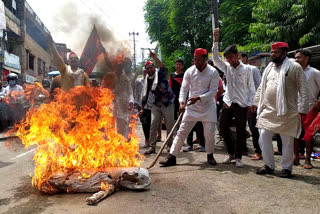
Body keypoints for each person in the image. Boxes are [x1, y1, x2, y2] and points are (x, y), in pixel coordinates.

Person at [252, 42, 309, 178]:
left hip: (288, 111)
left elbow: (304, 88)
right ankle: (269, 165)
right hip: (268, 110)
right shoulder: (269, 68)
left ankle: (286, 168)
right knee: (264, 136)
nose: (273, 55)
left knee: (287, 142)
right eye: (272, 52)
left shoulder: (294, 67)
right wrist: (255, 102)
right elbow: (262, 87)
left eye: (276, 52)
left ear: (284, 53)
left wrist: (303, 109)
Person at [159, 48, 219, 167]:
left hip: (208, 108)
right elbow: (184, 88)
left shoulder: (213, 72)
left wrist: (198, 98)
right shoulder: (189, 71)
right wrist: (181, 102)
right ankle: (172, 157)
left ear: (205, 59)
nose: (196, 62)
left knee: (209, 134)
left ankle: (210, 155)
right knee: (181, 132)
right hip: (192, 108)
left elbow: (213, 92)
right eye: (195, 59)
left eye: (198, 60)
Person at [212, 28, 256, 167]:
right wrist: (215, 41)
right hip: (228, 103)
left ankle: (238, 157)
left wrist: (251, 104)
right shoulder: (227, 68)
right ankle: (230, 153)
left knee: (241, 130)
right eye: (227, 58)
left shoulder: (248, 69)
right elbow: (215, 59)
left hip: (242, 104)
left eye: (231, 57)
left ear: (237, 55)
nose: (228, 60)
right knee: (223, 128)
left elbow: (251, 88)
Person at [141, 50, 175, 155]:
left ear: (154, 68)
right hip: (155, 105)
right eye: (148, 68)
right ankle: (152, 147)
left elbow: (163, 67)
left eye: (151, 67)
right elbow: (145, 94)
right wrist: (142, 107)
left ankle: (170, 146)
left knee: (169, 125)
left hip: (167, 103)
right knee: (153, 124)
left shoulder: (160, 74)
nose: (150, 69)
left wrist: (155, 57)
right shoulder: (146, 79)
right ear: (146, 70)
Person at [295, 48, 320, 168]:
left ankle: (308, 160)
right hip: (295, 107)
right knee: (294, 133)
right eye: (295, 57)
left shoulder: (314, 72)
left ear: (306, 58)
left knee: (309, 135)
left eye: (299, 57)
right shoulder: (294, 71)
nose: (296, 59)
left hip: (310, 107)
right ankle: (295, 157)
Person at [238, 52, 262, 160]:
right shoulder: (236, 71)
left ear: (245, 58)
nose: (237, 60)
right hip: (240, 103)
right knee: (241, 127)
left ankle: (258, 151)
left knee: (254, 127)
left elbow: (259, 86)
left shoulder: (253, 69)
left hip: (252, 104)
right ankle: (243, 148)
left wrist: (254, 103)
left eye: (239, 58)